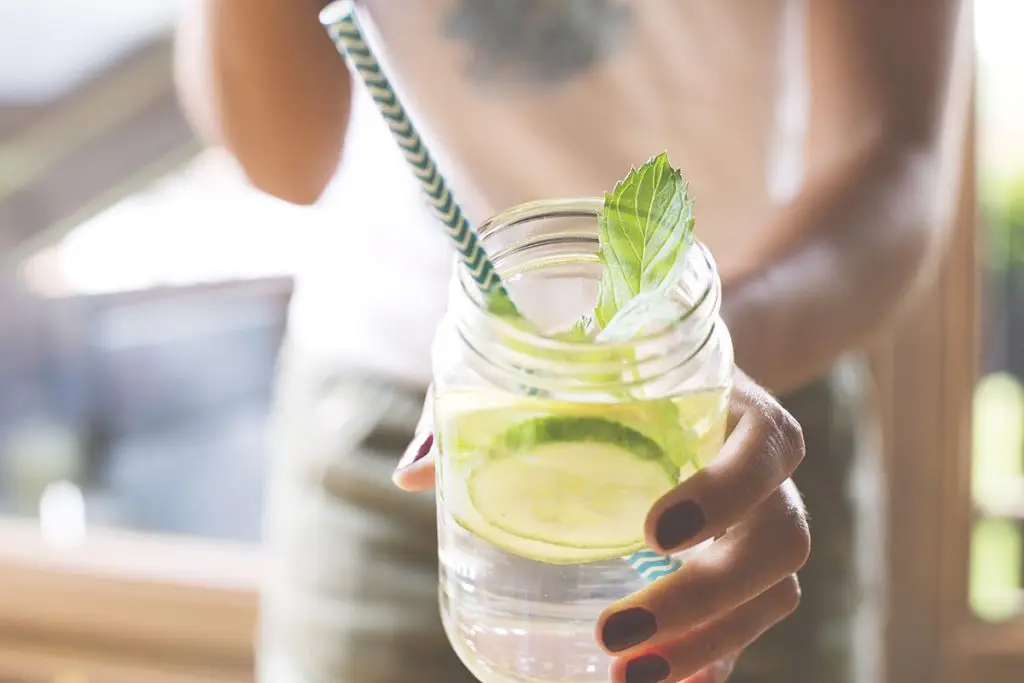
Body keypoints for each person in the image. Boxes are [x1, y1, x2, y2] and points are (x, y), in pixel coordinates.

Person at [174, 1, 968, 682]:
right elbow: (285, 159)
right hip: (390, 421)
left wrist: (695, 361)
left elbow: (891, 148)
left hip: (743, 425)